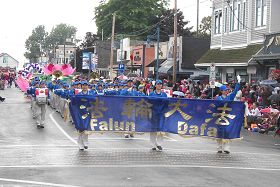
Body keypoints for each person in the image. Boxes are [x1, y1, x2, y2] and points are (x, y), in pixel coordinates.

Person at [216, 75, 241, 154]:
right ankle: (219, 147)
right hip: (219, 117)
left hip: (227, 116)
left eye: (227, 90)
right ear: (221, 91)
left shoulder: (230, 97)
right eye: (225, 90)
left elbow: (235, 91)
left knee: (227, 131)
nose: (226, 91)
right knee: (220, 132)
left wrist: (238, 83)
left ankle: (227, 147)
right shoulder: (217, 98)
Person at [149, 80, 167, 151]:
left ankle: (159, 144)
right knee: (153, 129)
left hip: (161, 114)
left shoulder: (164, 94)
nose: (159, 85)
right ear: (155, 85)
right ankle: (153, 144)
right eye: (158, 84)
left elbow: (166, 104)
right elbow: (148, 103)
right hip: (153, 114)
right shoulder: (151, 94)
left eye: (160, 84)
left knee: (161, 129)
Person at [76, 81, 94, 151]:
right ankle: (80, 144)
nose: (85, 86)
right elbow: (75, 103)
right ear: (81, 86)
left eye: (86, 85)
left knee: (86, 128)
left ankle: (85, 143)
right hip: (80, 113)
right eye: (83, 85)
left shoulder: (91, 93)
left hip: (88, 113)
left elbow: (95, 100)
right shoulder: (78, 94)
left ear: (88, 86)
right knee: (80, 129)